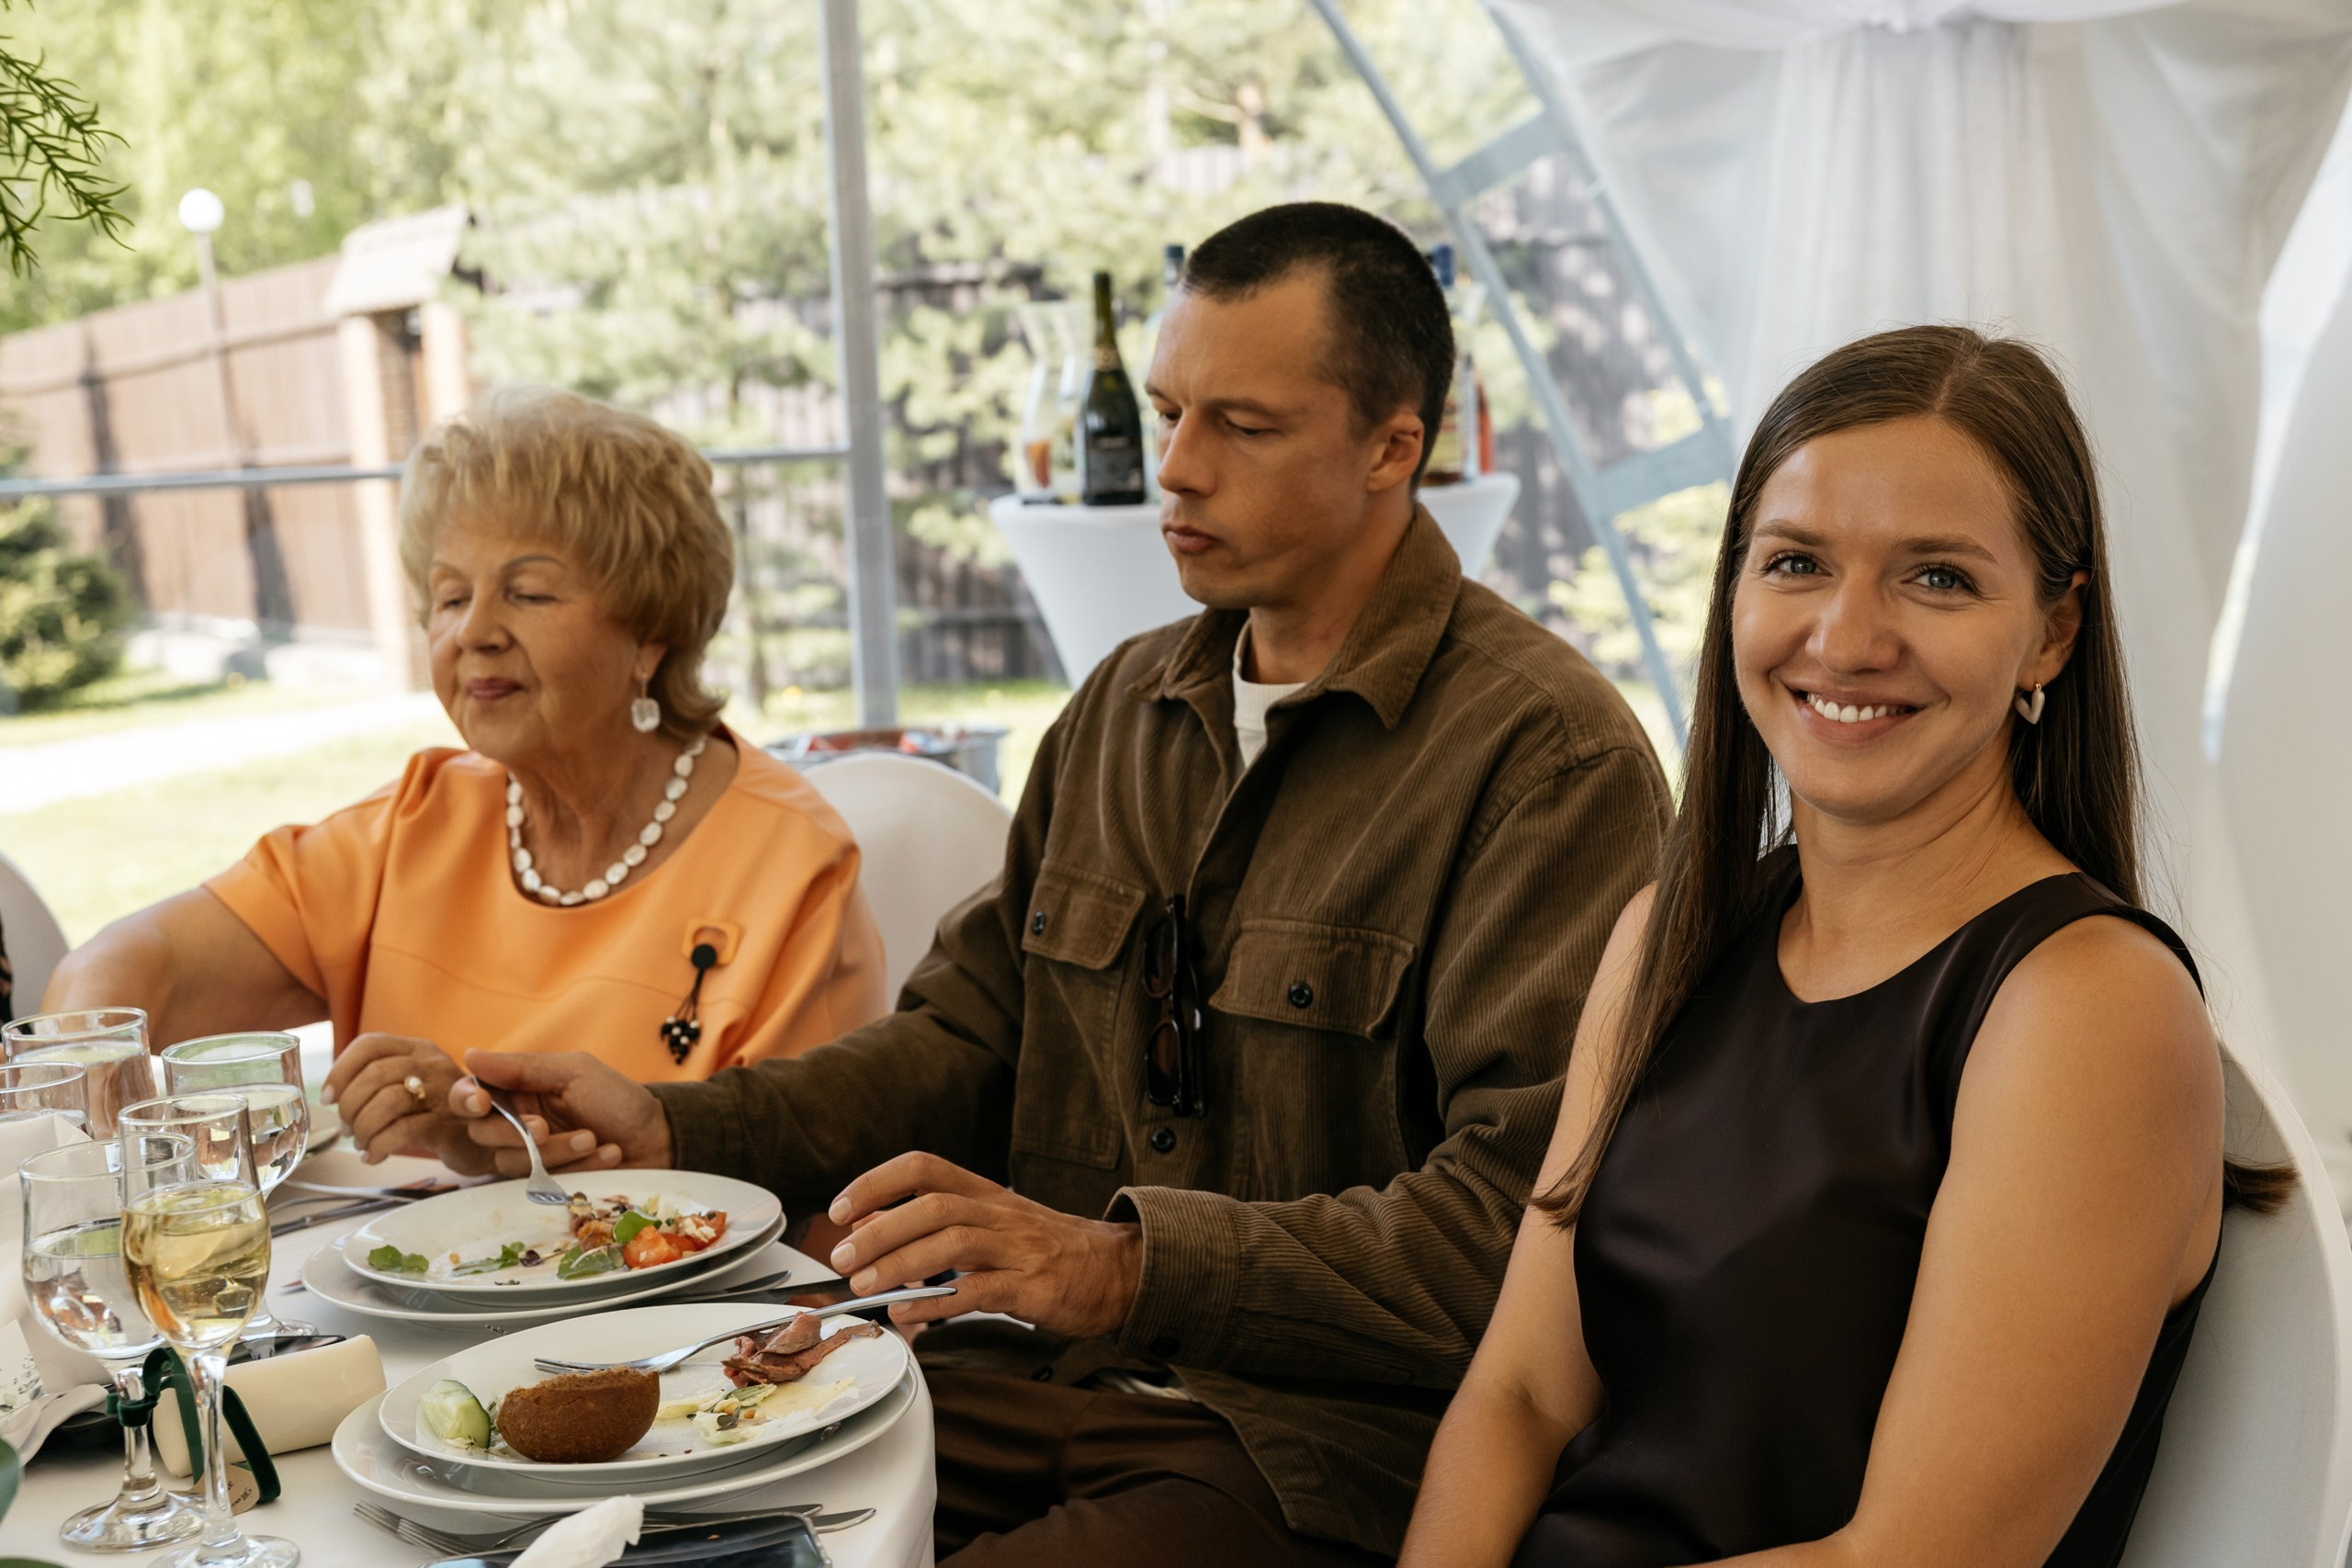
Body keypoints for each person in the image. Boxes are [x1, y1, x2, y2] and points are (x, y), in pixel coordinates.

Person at [421, 202, 1670, 1566]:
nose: (1175, 469)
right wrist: (668, 1126)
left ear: (1393, 447)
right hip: (996, 1379)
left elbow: (1507, 1226)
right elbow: (967, 1036)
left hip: (1312, 1449)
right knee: (572, 1533)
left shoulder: (1548, 761)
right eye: (1168, 410)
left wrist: (1123, 1262)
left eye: (1240, 427)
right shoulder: (1122, 707)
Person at [1402, 325, 2277, 1568]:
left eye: (1938, 578)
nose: (1848, 638)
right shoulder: (1672, 932)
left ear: (2051, 635)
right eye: (1799, 561)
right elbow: (1523, 1396)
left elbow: (1913, 1555)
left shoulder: (2089, 1008)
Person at [46, 386, 888, 1162]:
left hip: (692, 1318)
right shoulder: (416, 823)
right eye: (450, 598)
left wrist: (490, 1140)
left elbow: (786, 1179)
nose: (473, 632)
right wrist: (92, 1099)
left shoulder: (786, 861)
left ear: (651, 635)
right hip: (404, 1312)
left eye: (528, 593)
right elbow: (133, 969)